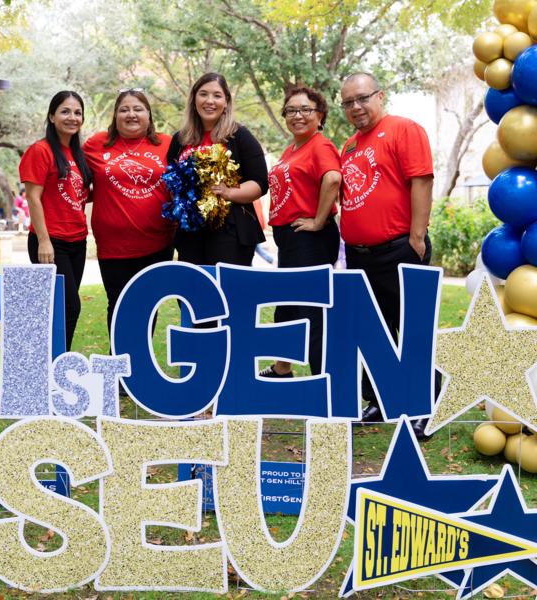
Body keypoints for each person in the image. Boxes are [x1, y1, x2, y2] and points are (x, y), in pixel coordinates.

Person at [338, 72, 436, 439]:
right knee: (375, 332)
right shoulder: (349, 145)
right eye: (348, 102)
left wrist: (416, 235)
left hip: (399, 248)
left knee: (411, 332)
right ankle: (381, 399)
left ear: (380, 95)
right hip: (361, 256)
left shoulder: (403, 129)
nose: (356, 107)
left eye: (362, 98)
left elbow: (421, 180)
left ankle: (425, 407)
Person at [260, 86, 342, 379]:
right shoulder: (292, 148)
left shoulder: (319, 145)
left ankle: (326, 379)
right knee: (288, 304)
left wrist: (318, 220)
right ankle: (283, 368)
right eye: (291, 110)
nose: (297, 115)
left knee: (310, 310)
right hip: (291, 239)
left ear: (320, 116)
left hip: (310, 239)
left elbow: (333, 178)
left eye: (305, 110)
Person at [83, 89, 175, 331]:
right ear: (115, 115)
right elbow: (73, 176)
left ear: (149, 114)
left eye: (138, 109)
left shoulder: (168, 143)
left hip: (158, 243)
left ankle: (140, 365)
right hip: (114, 247)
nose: (131, 114)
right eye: (124, 109)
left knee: (149, 305)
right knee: (118, 305)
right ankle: (117, 365)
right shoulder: (96, 144)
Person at [167, 72, 268, 266]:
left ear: (226, 102)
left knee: (228, 292)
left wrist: (228, 192)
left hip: (231, 230)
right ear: (194, 99)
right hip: (190, 232)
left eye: (217, 95)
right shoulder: (180, 139)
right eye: (203, 94)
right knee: (192, 291)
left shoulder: (239, 136)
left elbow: (260, 183)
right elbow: (171, 180)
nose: (209, 101)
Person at [19, 90, 91, 350]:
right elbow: (33, 197)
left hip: (77, 241)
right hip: (51, 243)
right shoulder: (40, 150)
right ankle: (53, 364)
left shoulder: (77, 154)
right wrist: (44, 241)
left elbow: (79, 193)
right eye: (65, 111)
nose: (72, 117)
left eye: (77, 112)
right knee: (69, 306)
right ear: (51, 116)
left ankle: (55, 363)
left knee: (62, 310)